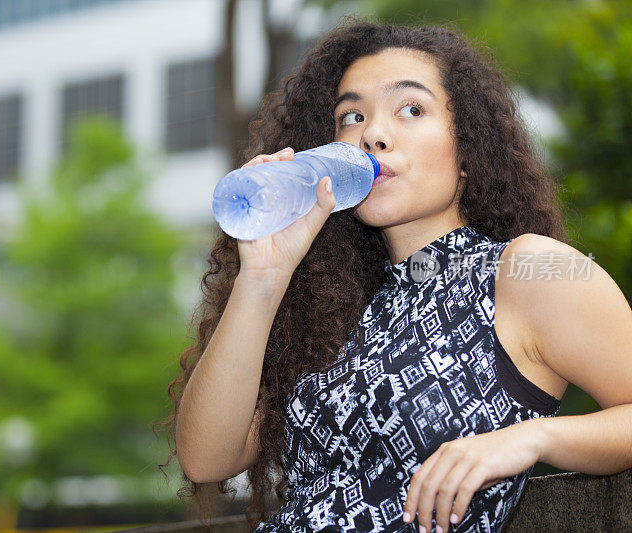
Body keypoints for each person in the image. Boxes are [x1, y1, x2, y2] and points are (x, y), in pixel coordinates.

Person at [157, 16, 632, 533]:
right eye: (351, 116)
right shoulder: (329, 305)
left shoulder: (526, 270)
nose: (373, 135)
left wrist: (533, 439)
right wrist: (262, 279)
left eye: (411, 109)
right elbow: (205, 459)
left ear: (468, 144)